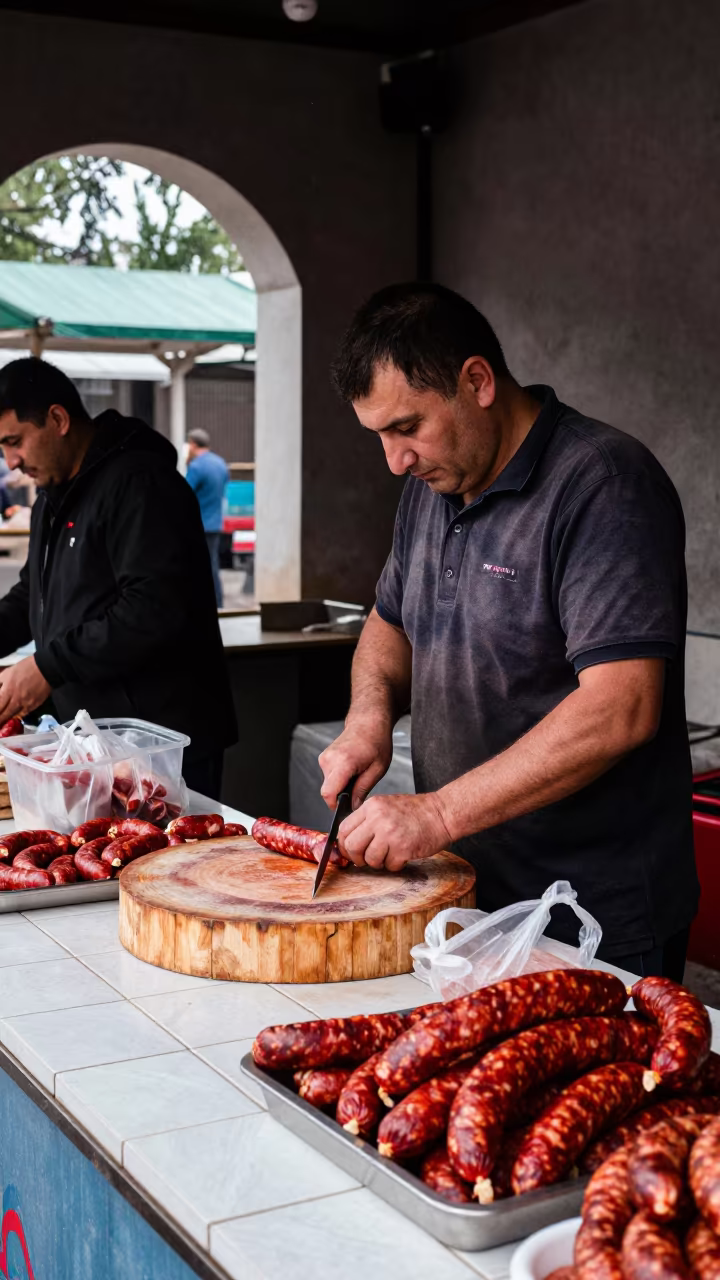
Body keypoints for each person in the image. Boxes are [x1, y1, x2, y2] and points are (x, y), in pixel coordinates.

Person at [320, 282, 696, 981]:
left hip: (589, 914)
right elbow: (388, 623)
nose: (394, 460)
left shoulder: (604, 484)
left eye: (407, 428)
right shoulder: (429, 490)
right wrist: (367, 721)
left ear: (477, 381)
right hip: (470, 885)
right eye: (380, 436)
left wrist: (436, 813)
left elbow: (623, 706)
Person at [0, 357, 236, 799]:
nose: (12, 461)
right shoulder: (51, 502)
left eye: (15, 441)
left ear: (57, 419)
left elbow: (153, 607)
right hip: (97, 741)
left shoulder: (141, 482)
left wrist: (47, 667)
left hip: (161, 741)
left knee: (169, 865)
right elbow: (33, 594)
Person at [185, 428, 230, 608]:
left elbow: (183, 493)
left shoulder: (196, 467)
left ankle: (198, 605)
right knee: (212, 566)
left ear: (193, 444)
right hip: (215, 523)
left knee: (195, 568)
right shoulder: (221, 464)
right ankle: (218, 604)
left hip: (198, 525)